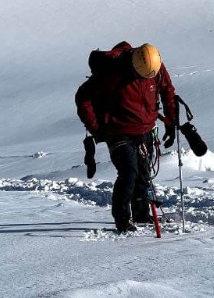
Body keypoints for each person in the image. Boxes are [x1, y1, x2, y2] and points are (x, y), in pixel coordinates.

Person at [75, 42, 177, 232]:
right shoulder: (111, 72)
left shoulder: (155, 66)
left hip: (145, 129)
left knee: (143, 174)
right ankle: (122, 218)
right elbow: (83, 97)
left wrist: (171, 122)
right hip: (118, 131)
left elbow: (167, 91)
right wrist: (96, 128)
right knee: (129, 172)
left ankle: (141, 213)